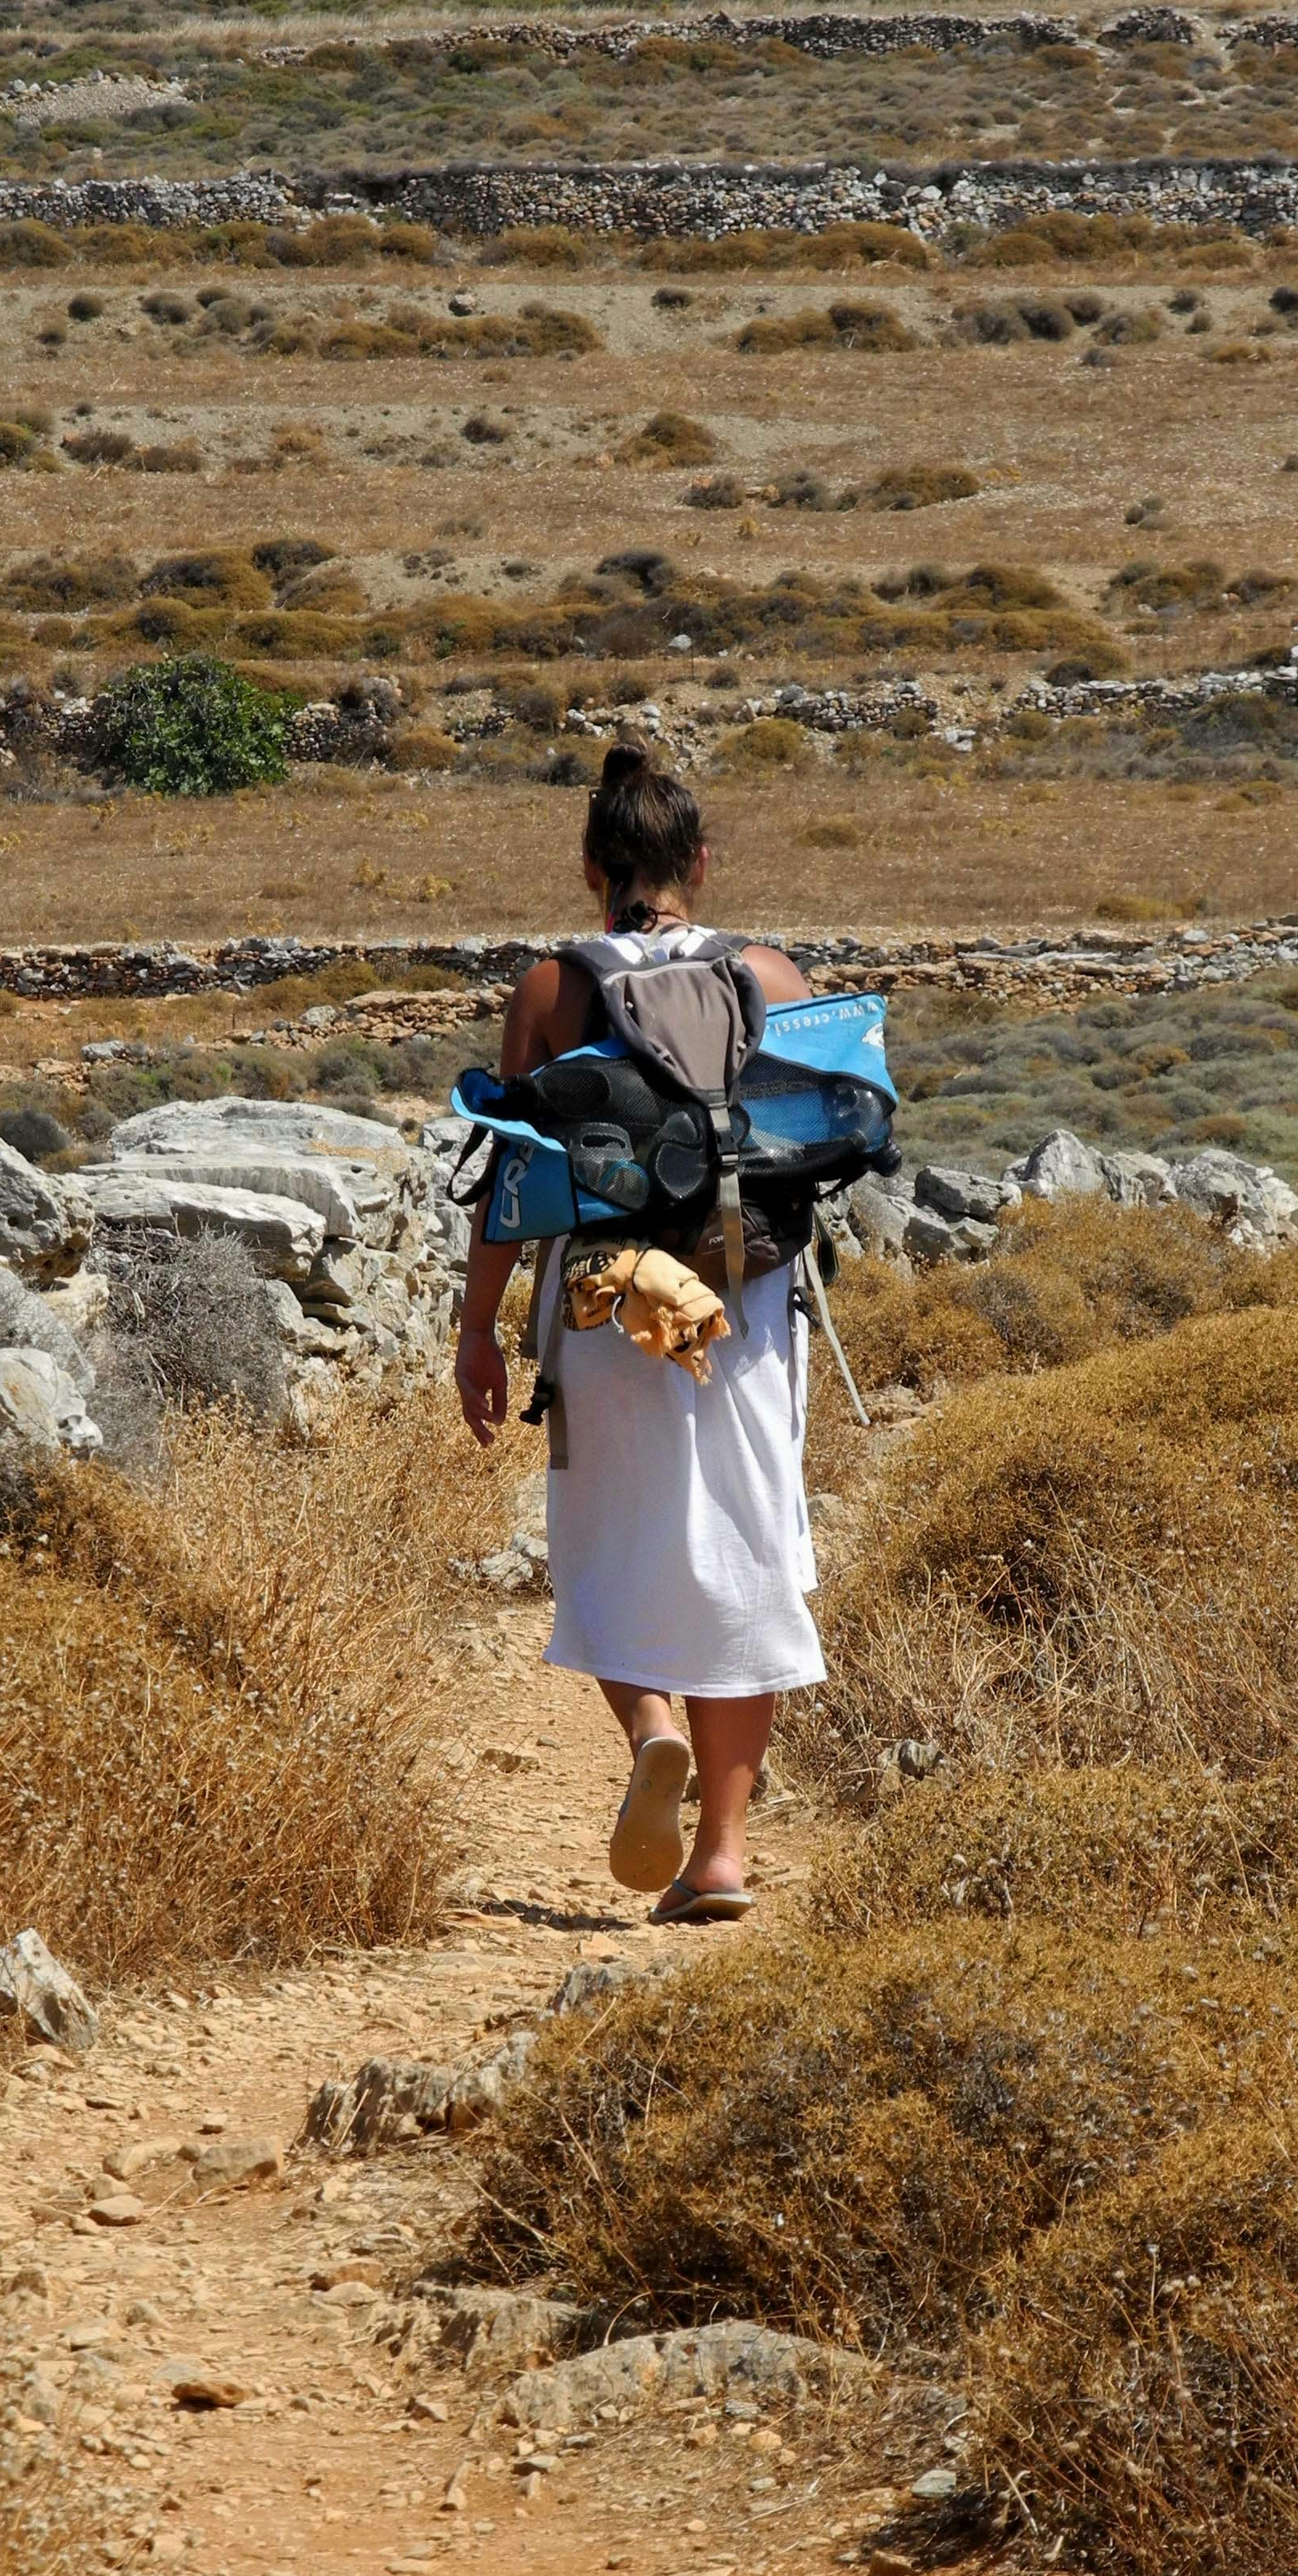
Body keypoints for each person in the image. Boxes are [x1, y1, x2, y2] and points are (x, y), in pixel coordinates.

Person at [453, 747, 824, 1924]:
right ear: (699, 864)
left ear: (591, 869)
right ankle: (721, 1857)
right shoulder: (772, 975)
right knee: (748, 1551)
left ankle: (651, 1726)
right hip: (744, 1309)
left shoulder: (552, 991)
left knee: (607, 1545)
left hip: (606, 1303)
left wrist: (478, 1332)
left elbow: (509, 1183)